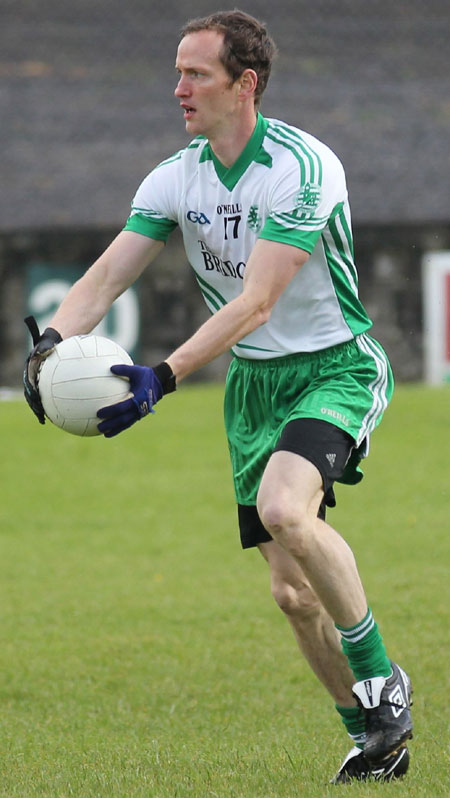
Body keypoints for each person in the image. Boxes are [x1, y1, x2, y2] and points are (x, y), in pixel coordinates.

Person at [23, 10, 413, 784]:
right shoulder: (178, 175)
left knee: (282, 509)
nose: (179, 89)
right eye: (177, 72)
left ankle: (381, 675)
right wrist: (47, 348)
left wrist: (160, 378)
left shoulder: (304, 167)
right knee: (291, 596)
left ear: (247, 84)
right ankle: (373, 740)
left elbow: (257, 302)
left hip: (333, 368)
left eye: (196, 74)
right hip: (254, 389)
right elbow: (106, 277)